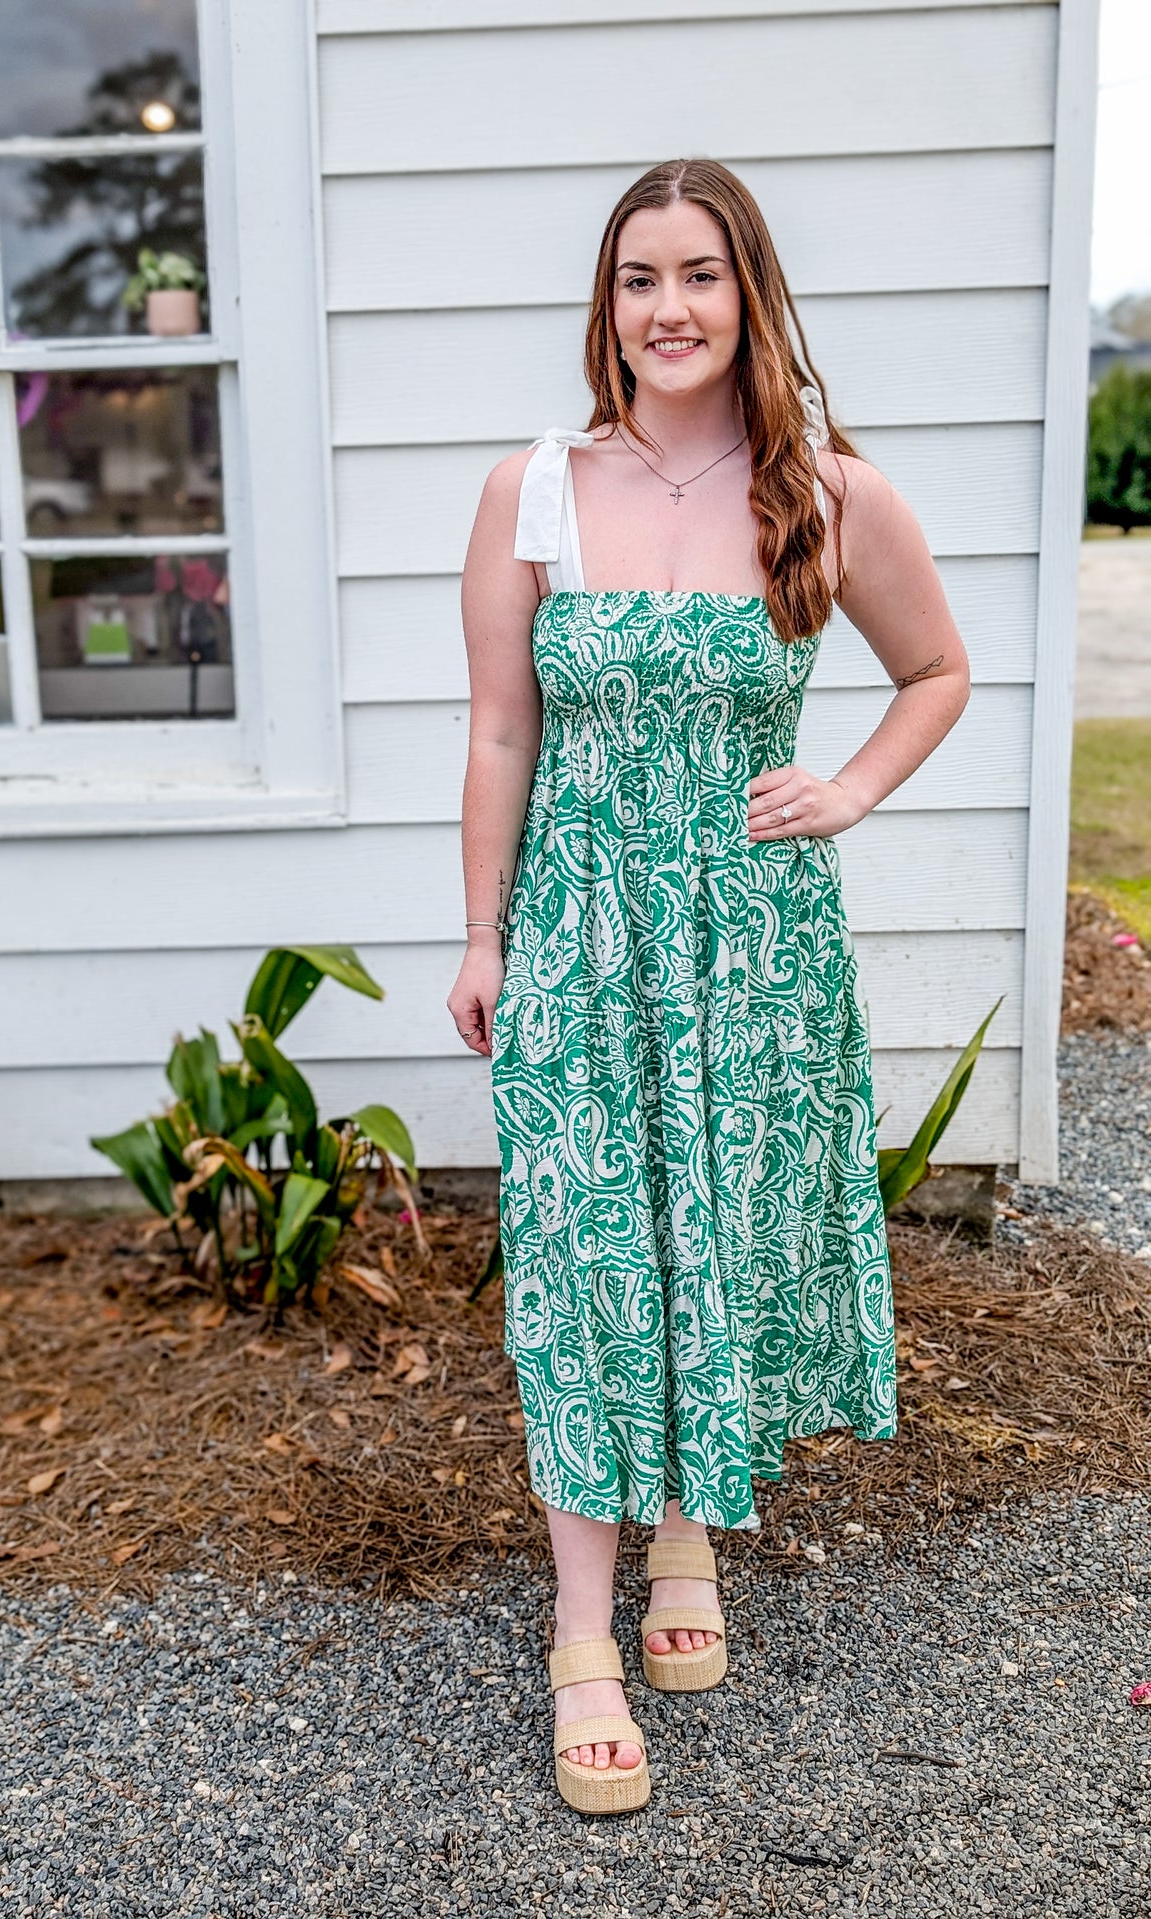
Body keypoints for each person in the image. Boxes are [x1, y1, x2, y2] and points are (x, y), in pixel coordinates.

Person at [448, 158, 970, 1815]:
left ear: (747, 293)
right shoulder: (531, 489)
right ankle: (581, 1635)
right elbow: (499, 731)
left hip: (749, 935)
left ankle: (689, 1545)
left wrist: (852, 789)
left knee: (711, 1234)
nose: (664, 310)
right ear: (603, 306)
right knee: (586, 1257)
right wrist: (481, 938)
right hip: (581, 932)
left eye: (695, 275)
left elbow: (937, 670)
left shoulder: (821, 490)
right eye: (633, 279)